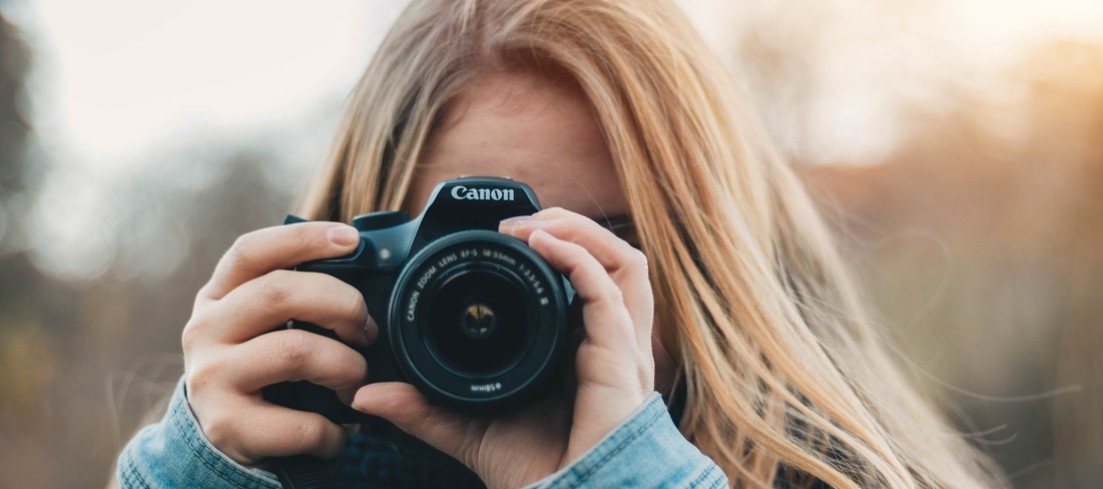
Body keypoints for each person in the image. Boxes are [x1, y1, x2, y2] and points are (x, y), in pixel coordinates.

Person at [116, 0, 1009, 488]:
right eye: (465, 252)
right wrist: (194, 479)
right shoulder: (281, 460)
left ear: (712, 261)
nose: (523, 296)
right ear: (360, 261)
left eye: (598, 246)